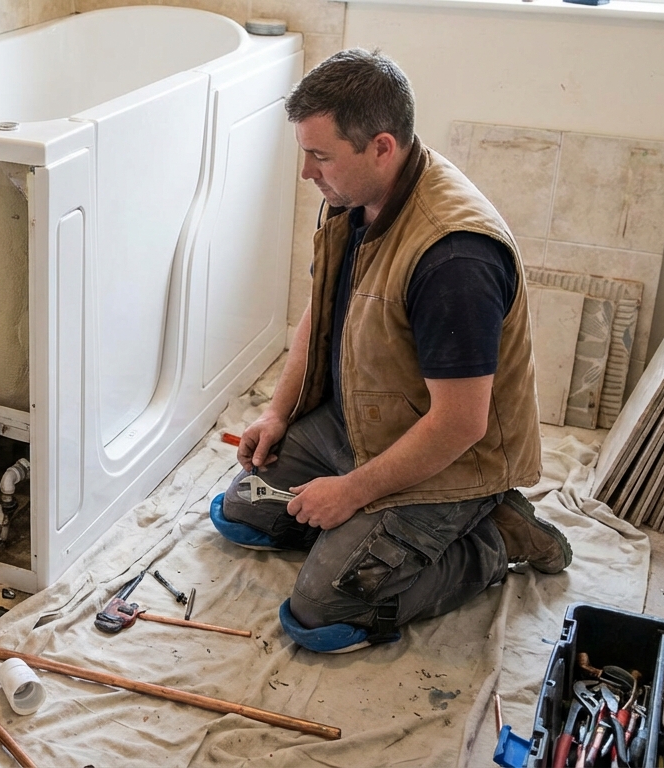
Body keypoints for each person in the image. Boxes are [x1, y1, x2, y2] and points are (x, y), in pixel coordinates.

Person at [210, 49, 571, 654]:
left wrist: (352, 491)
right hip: (363, 419)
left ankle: (493, 540)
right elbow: (321, 309)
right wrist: (277, 413)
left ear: (382, 146)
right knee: (243, 514)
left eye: (319, 156)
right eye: (306, 153)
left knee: (322, 611)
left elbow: (461, 424)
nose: (307, 174)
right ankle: (377, 521)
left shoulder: (454, 257)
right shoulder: (355, 194)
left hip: (451, 458)